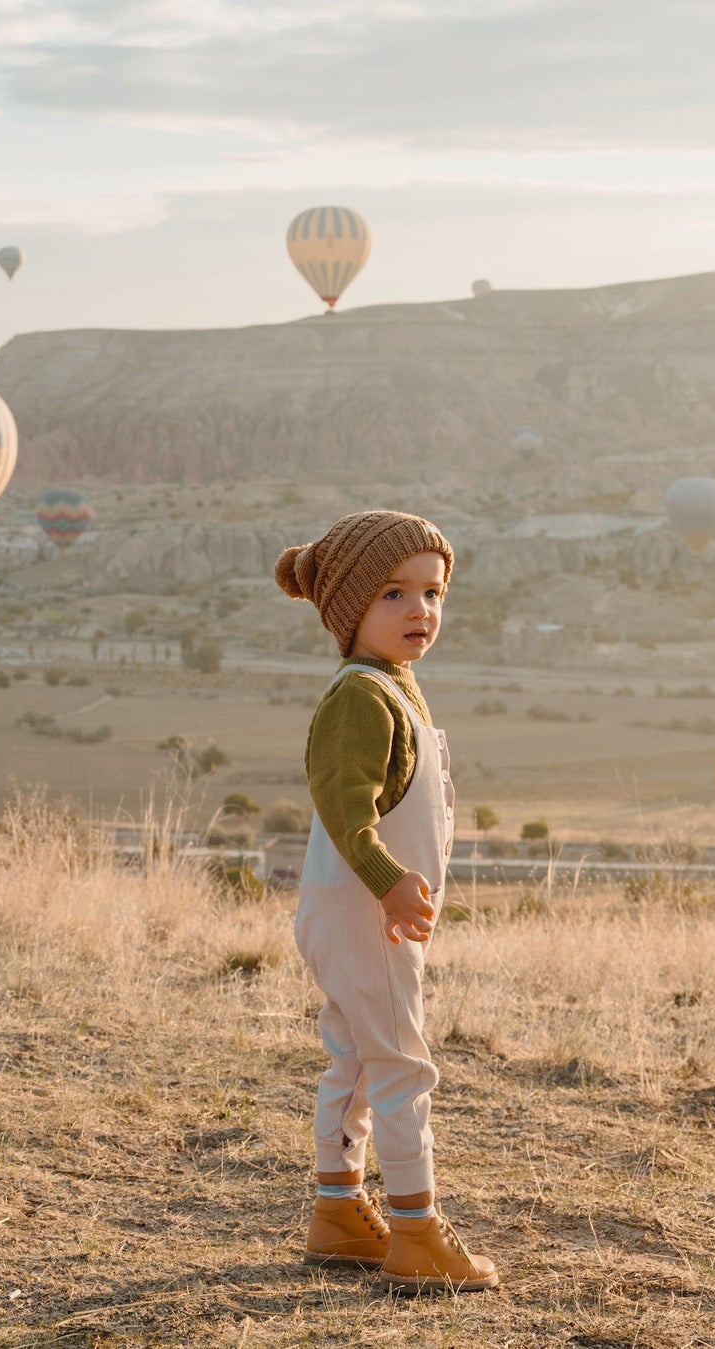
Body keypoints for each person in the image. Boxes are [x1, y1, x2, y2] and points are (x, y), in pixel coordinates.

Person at [274, 510, 499, 1295]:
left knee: (359, 1058)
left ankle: (336, 1211)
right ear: (348, 609)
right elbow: (345, 806)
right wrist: (390, 879)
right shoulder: (360, 697)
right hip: (364, 911)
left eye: (432, 592)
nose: (420, 611)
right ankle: (416, 1229)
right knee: (402, 1064)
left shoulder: (395, 690)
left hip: (359, 912)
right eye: (393, 593)